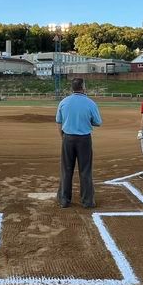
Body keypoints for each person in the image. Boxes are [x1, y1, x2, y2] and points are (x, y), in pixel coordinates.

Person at [55, 78, 103, 208]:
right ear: (83, 87)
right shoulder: (90, 103)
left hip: (68, 138)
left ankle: (64, 200)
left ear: (72, 88)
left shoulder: (64, 102)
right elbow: (97, 122)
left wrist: (63, 137)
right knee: (85, 170)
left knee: (66, 169)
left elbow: (59, 122)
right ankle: (87, 201)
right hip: (84, 139)